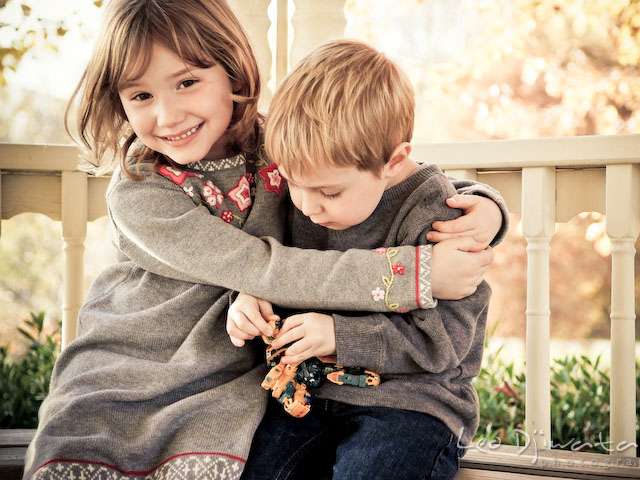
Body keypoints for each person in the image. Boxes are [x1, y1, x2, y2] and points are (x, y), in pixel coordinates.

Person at [24, 1, 508, 478]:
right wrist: (415, 274)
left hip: (318, 385)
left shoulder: (279, 141)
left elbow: (386, 177)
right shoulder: (140, 191)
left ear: (232, 71)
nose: (167, 116)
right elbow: (262, 267)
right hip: (139, 362)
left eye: (187, 81)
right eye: (140, 96)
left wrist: (485, 207)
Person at [233, 39, 496, 480]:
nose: (307, 205)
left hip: (410, 404)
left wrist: (340, 335)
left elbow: (443, 343)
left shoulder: (436, 215)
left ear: (393, 163)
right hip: (307, 395)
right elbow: (270, 259)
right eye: (294, 183)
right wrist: (249, 298)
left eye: (329, 192)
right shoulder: (304, 194)